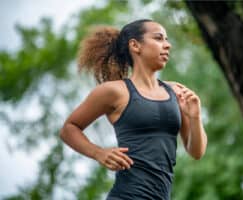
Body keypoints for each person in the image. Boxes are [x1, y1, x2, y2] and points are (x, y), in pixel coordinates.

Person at [60, 19, 207, 200]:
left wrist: (195, 116)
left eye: (167, 40)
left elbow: (196, 151)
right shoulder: (114, 91)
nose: (167, 45)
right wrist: (99, 153)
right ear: (135, 45)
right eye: (159, 38)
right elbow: (69, 128)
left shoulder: (175, 92)